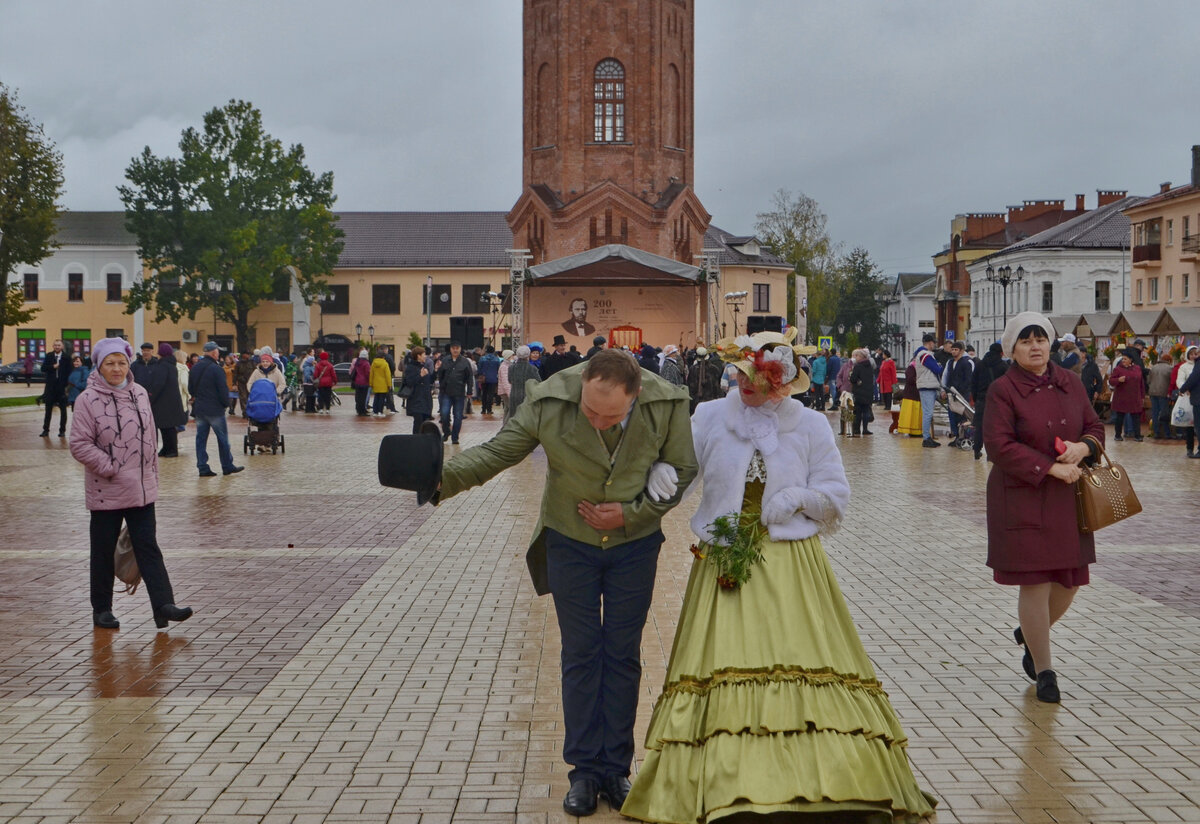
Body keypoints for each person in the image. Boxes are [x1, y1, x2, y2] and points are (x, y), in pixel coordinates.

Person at [621, 330, 935, 823]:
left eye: (760, 380)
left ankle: (822, 783)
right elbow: (679, 471)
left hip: (790, 559)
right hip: (725, 556)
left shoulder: (808, 424)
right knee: (724, 662)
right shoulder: (709, 417)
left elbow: (835, 491)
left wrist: (798, 500)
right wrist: (659, 473)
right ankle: (729, 783)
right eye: (742, 376)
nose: (747, 386)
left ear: (782, 384)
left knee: (801, 655)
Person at [437, 350, 698, 816]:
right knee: (580, 653)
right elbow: (500, 451)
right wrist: (437, 479)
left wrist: (634, 512)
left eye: (611, 414)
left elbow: (683, 468)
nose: (597, 421)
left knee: (621, 653)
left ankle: (616, 768)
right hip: (570, 542)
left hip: (633, 546)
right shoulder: (550, 399)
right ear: (582, 387)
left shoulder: (668, 403)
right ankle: (582, 770)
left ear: (635, 395)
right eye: (590, 410)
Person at [983, 312, 1105, 704]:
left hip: (1067, 498)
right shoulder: (1003, 390)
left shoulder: (1069, 381)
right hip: (1021, 495)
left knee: (1068, 583)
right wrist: (1049, 467)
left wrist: (1083, 447)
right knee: (1034, 583)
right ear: (1012, 349)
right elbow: (999, 446)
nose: (1035, 346)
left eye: (1041, 339)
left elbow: (1095, 426)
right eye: (1025, 340)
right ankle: (1045, 670)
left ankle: (1030, 633)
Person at [68, 337, 194, 631]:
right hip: (106, 489)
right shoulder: (88, 400)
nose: (116, 369)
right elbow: (79, 444)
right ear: (99, 366)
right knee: (102, 551)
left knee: (148, 548)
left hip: (141, 490)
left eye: (121, 362)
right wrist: (110, 467)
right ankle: (102, 609)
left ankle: (163, 606)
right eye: (110, 363)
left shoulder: (139, 393)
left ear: (129, 363)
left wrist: (152, 475)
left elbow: (150, 439)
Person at [187, 341, 244, 477]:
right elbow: (223, 390)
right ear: (214, 353)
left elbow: (191, 389)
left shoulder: (195, 368)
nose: (218, 354)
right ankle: (227, 465)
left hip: (200, 409)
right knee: (222, 439)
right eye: (217, 351)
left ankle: (202, 467)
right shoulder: (216, 368)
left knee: (200, 439)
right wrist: (226, 404)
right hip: (215, 410)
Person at [144, 343, 188, 458]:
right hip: (169, 400)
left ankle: (172, 449)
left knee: (168, 427)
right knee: (166, 426)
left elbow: (159, 383)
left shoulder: (164, 365)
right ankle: (167, 448)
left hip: (164, 401)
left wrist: (151, 396)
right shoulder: (170, 364)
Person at [971, 342, 1008, 460]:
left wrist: (976, 399)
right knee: (995, 428)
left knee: (980, 427)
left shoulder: (979, 365)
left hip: (981, 400)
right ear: (1001, 353)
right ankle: (990, 455)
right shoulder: (1003, 366)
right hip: (997, 401)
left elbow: (973, 384)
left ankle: (976, 450)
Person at [436, 341, 472, 444]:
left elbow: (469, 377)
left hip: (459, 393)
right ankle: (446, 432)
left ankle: (455, 437)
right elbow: (440, 374)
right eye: (453, 348)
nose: (455, 350)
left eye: (457, 348)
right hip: (446, 392)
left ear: (460, 349)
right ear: (450, 349)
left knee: (458, 416)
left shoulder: (465, 361)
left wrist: (469, 391)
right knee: (444, 413)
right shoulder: (445, 360)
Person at [912, 333, 944, 447]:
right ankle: (926, 438)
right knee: (928, 413)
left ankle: (927, 437)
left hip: (927, 385)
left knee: (927, 413)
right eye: (934, 343)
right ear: (930, 343)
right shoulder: (925, 355)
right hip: (927, 386)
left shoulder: (921, 354)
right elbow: (937, 369)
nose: (934, 345)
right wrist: (940, 366)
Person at [942, 340, 974, 447]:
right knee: (952, 415)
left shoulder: (966, 362)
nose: (954, 352)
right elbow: (946, 376)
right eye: (952, 350)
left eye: (956, 350)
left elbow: (968, 379)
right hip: (951, 393)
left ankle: (963, 437)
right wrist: (945, 390)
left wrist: (962, 391)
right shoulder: (950, 362)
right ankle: (956, 435)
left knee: (962, 415)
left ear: (961, 351)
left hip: (962, 394)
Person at [1108, 352, 1145, 441]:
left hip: (1134, 397)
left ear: (1131, 360)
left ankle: (1137, 435)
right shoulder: (1118, 369)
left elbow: (1141, 383)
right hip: (1122, 397)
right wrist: (1118, 380)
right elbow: (1111, 381)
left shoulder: (1137, 368)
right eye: (1122, 359)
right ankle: (1117, 435)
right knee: (1120, 417)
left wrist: (1142, 396)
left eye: (1125, 359)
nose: (1123, 361)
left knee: (1136, 417)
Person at [40, 339, 73, 437]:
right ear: (53, 346)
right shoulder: (49, 355)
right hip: (50, 387)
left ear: (62, 347)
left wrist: (67, 386)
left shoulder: (66, 358)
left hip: (61, 387)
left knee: (63, 410)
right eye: (55, 345)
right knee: (48, 409)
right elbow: (43, 368)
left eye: (59, 345)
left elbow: (69, 372)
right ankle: (45, 430)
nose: (57, 347)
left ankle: (62, 430)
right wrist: (53, 366)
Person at [502, 345, 541, 425]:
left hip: (514, 395)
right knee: (525, 418)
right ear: (528, 355)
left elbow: (509, 380)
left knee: (514, 417)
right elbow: (538, 382)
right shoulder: (532, 368)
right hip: (527, 396)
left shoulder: (511, 368)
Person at [402, 346, 435, 433]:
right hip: (416, 399)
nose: (425, 356)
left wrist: (435, 371)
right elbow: (409, 382)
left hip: (425, 398)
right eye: (424, 354)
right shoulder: (411, 368)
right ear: (418, 356)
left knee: (424, 422)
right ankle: (416, 441)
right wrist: (420, 376)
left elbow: (430, 380)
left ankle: (422, 441)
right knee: (418, 422)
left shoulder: (423, 366)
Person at [1175, 346, 1199, 456]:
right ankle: (1189, 448)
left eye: (1196, 353)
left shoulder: (1197, 365)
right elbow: (1180, 380)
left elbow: (1194, 379)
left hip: (1196, 397)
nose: (1194, 356)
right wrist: (1184, 388)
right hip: (1188, 398)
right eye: (1191, 354)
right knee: (1189, 424)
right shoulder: (1183, 367)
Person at [849, 347, 875, 436]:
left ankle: (856, 429)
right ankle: (865, 429)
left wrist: (855, 381)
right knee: (866, 411)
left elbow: (853, 379)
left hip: (859, 392)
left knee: (858, 411)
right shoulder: (869, 366)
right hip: (868, 392)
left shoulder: (858, 366)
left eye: (857, 356)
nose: (855, 357)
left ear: (861, 357)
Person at [1148, 354, 1175, 440]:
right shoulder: (1170, 368)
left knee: (1155, 413)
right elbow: (1172, 382)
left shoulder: (1154, 367)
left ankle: (1156, 433)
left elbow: (1148, 380)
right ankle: (1167, 433)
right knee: (1164, 414)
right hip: (1163, 393)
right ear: (1169, 361)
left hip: (1152, 393)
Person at [476, 345, 502, 415]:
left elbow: (479, 369)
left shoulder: (482, 358)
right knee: (491, 394)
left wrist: (481, 375)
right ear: (493, 351)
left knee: (484, 394)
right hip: (493, 379)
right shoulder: (497, 359)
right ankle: (489, 409)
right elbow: (498, 370)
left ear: (486, 351)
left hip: (484, 379)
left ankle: (483, 409)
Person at [370, 349, 392, 417]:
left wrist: (371, 383)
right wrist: (389, 384)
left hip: (375, 383)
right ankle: (380, 411)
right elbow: (387, 375)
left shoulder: (373, 363)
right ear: (383, 356)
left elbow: (371, 374)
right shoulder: (385, 364)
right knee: (382, 398)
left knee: (376, 397)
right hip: (383, 384)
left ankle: (375, 411)